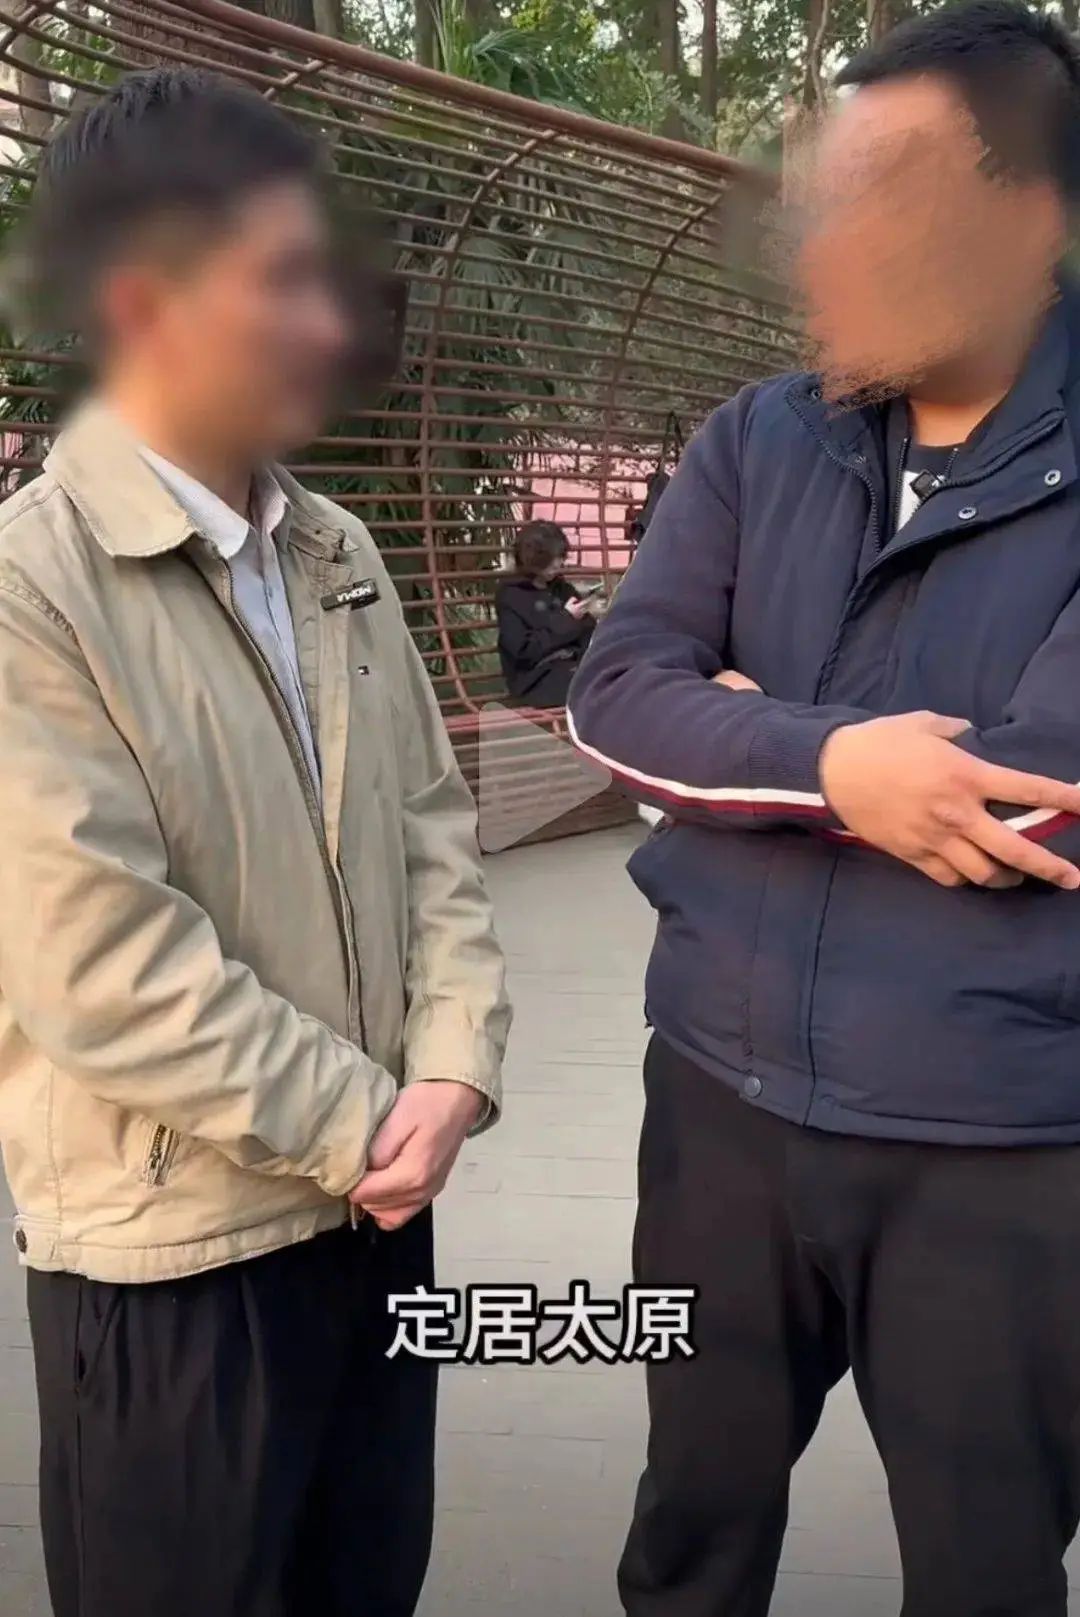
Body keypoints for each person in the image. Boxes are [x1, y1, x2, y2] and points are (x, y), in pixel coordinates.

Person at [569, 5, 1080, 1613]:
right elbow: (617, 695)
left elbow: (1041, 807)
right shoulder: (761, 437)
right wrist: (839, 765)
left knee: (987, 1569)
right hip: (713, 1103)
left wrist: (742, 729)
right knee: (691, 1531)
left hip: (994, 1143)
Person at [0, 69, 509, 1617]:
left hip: (376, 1217)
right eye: (282, 279)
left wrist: (455, 1064)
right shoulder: (33, 588)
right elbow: (99, 964)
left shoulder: (336, 550)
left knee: (368, 1580)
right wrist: (371, 1120)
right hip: (176, 1258)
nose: (325, 322)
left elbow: (433, 827)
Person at [496, 519, 600, 707]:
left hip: (574, 666)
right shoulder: (511, 596)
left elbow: (587, 632)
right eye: (552, 558)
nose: (558, 563)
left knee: (614, 681)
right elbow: (522, 653)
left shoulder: (561, 589)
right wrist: (566, 620)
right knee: (592, 691)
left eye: (560, 556)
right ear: (533, 559)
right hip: (536, 679)